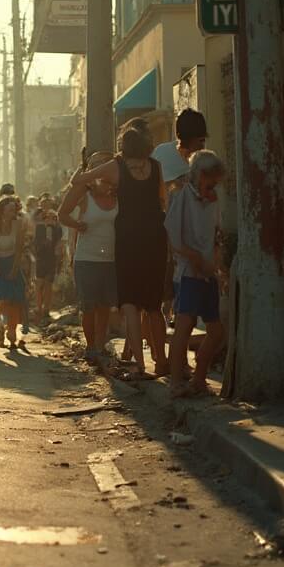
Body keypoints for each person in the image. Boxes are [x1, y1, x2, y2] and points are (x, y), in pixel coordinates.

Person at [71, 123, 168, 379]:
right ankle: (161, 361)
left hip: (127, 240)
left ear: (123, 145)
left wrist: (91, 173)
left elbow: (78, 180)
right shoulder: (155, 166)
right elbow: (163, 200)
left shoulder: (116, 166)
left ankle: (139, 365)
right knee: (154, 305)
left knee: (130, 304)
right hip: (155, 238)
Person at [167, 151, 227, 396]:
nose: (213, 187)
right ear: (201, 175)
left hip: (208, 273)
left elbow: (216, 235)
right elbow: (174, 240)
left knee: (216, 331)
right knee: (184, 325)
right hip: (188, 273)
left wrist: (218, 265)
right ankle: (175, 382)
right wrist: (195, 259)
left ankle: (199, 378)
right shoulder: (181, 196)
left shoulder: (212, 199)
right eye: (211, 182)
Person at [58, 151, 118, 366]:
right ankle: (91, 347)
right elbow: (62, 214)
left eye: (106, 164)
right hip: (86, 258)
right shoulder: (83, 192)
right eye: (97, 165)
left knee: (105, 305)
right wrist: (77, 225)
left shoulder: (118, 193)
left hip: (111, 259)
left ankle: (100, 346)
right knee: (89, 305)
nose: (102, 169)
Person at [0, 194, 28, 351]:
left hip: (13, 263)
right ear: (2, 210)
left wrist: (14, 269)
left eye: (14, 209)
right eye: (10, 209)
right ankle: (1, 327)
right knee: (2, 301)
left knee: (15, 301)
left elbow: (19, 250)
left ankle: (12, 331)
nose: (13, 212)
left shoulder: (18, 225)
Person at [32, 194, 64, 324]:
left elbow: (59, 242)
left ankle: (46, 308)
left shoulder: (57, 228)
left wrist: (59, 255)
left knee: (48, 284)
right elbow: (35, 242)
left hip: (51, 258)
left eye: (52, 217)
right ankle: (38, 307)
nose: (50, 219)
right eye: (47, 217)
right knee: (39, 283)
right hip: (40, 258)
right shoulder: (39, 226)